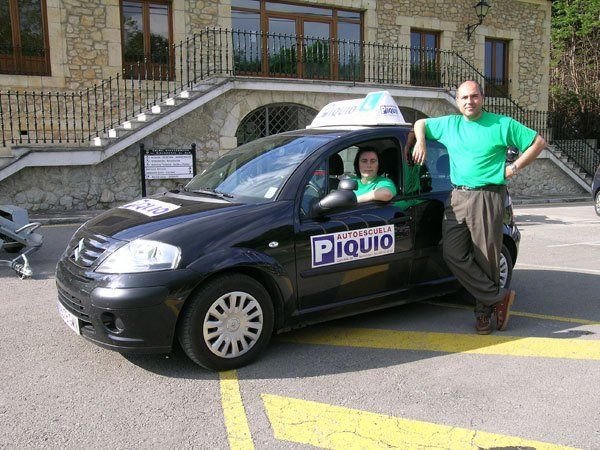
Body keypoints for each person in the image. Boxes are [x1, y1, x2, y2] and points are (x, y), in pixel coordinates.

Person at [412, 80, 546, 335]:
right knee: (453, 254)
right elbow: (420, 123)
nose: (468, 102)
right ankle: (498, 298)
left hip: (487, 195)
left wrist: (513, 167)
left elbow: (538, 142)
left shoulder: (501, 124)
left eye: (473, 97)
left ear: (482, 98)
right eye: (463, 98)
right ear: (457, 100)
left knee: (486, 258)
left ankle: (483, 315)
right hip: (457, 197)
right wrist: (420, 141)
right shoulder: (450, 124)